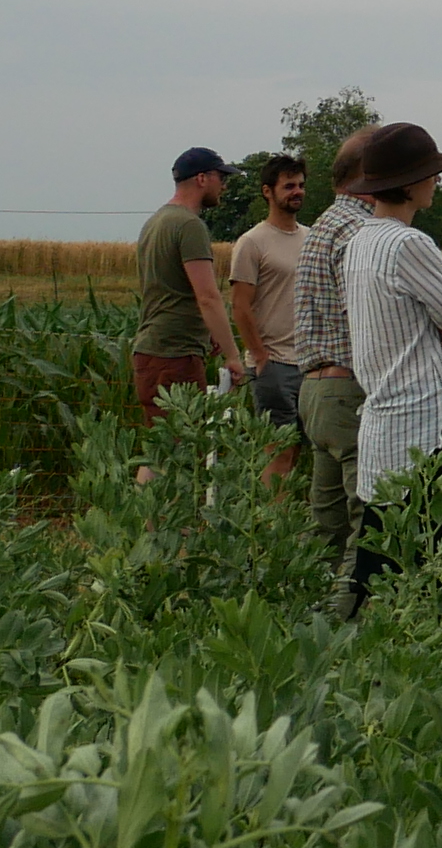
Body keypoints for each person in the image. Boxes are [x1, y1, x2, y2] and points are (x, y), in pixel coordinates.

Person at [336, 121, 442, 610]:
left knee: (383, 573)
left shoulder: (356, 242)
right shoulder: (408, 244)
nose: (436, 182)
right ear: (408, 184)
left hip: (382, 433)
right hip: (428, 433)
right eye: (431, 174)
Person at [288, 134, 381, 570]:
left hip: (316, 389)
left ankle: (315, 616)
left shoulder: (327, 221)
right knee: (366, 518)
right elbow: (367, 313)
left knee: (327, 526)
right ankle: (351, 617)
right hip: (348, 388)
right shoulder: (358, 229)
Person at [131, 148, 245, 421]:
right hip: (175, 354)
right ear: (202, 179)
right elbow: (207, 296)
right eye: (221, 177)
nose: (225, 186)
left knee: (164, 451)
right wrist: (233, 355)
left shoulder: (156, 221)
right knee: (181, 449)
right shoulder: (189, 225)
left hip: (153, 350)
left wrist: (208, 333)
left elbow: (172, 289)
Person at [225, 154, 311, 431]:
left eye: (300, 185)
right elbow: (240, 305)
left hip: (310, 363)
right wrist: (261, 358)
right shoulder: (252, 242)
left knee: (303, 448)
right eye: (288, 186)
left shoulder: (311, 239)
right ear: (267, 191)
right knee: (279, 448)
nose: (297, 191)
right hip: (274, 363)